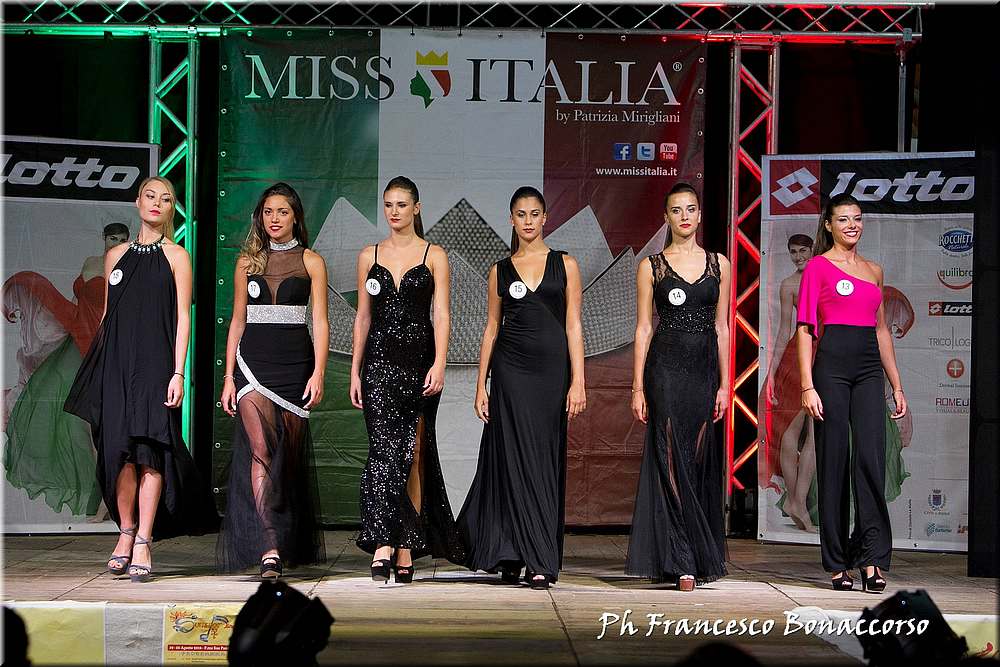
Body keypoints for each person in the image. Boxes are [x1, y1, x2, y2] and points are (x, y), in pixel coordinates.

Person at [64, 176, 215, 582]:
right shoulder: (115, 256)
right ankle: (125, 532)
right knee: (118, 452)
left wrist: (178, 372)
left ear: (171, 209)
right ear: (137, 202)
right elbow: (106, 316)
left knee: (150, 449)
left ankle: (144, 540)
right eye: (150, 196)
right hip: (116, 365)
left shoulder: (177, 256)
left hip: (155, 366)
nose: (156, 203)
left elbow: (183, 317)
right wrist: (100, 369)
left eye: (165, 199)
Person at [456, 186, 586, 590]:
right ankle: (512, 552)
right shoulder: (500, 270)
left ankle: (540, 555)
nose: (527, 221)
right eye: (520, 214)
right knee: (509, 458)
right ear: (511, 220)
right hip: (510, 372)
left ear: (545, 218)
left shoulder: (566, 264)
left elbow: (574, 325)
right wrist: (481, 385)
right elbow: (491, 328)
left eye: (534, 213)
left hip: (551, 375)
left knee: (541, 459)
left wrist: (578, 380)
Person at [351, 176, 464, 584]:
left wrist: (440, 363)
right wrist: (355, 370)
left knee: (413, 454)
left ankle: (406, 546)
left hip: (418, 364)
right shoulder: (369, 255)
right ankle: (383, 542)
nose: (394, 212)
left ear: (416, 208)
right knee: (383, 452)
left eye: (401, 204)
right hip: (379, 363)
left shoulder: (435, 255)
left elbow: (442, 315)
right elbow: (363, 317)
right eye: (388, 205)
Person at [797, 193, 907, 593]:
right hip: (831, 369)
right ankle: (837, 562)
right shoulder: (817, 267)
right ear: (829, 225)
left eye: (857, 218)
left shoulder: (874, 270)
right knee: (833, 460)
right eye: (843, 219)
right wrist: (807, 385)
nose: (851, 225)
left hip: (868, 369)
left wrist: (896, 385)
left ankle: (872, 558)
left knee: (870, 461)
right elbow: (805, 329)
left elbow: (881, 331)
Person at [217, 182, 327, 578]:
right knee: (261, 451)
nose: (274, 219)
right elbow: (237, 320)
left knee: (287, 459)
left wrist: (318, 371)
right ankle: (269, 546)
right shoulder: (247, 262)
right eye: (267, 212)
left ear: (295, 216)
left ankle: (284, 534)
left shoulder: (312, 261)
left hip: (296, 364)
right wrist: (228, 377)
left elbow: (319, 321)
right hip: (252, 364)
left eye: (282, 212)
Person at [625, 182, 731, 590]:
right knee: (670, 458)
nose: (684, 216)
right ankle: (682, 557)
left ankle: (697, 552)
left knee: (697, 459)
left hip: (703, 371)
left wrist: (725, 385)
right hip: (665, 370)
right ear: (665, 217)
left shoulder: (719, 264)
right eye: (676, 210)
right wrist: (637, 387)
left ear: (699, 215)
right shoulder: (651, 266)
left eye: (690, 209)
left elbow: (722, 327)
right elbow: (643, 328)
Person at [4, 224, 129, 517]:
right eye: (113, 238)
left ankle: (109, 500)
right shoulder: (91, 262)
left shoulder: (128, 268)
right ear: (103, 238)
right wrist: (62, 333)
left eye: (122, 240)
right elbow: (78, 302)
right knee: (71, 419)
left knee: (102, 426)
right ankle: (98, 495)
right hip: (77, 345)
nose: (117, 243)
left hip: (105, 349)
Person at [759, 234, 817, 532]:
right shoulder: (788, 284)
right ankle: (797, 502)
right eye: (793, 252)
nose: (798, 256)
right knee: (793, 431)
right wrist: (772, 372)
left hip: (824, 353)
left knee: (815, 433)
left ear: (812, 250)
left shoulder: (823, 277)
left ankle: (798, 501)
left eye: (803, 250)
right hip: (798, 354)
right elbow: (783, 331)